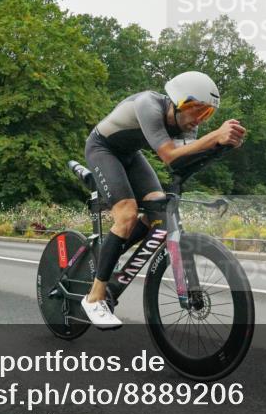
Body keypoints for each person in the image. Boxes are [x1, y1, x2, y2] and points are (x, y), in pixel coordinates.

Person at [80, 71, 245, 329]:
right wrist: (214, 137)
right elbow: (170, 156)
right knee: (126, 214)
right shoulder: (149, 104)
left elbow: (183, 165)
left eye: (207, 115)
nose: (199, 120)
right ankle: (95, 298)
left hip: (130, 155)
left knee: (158, 209)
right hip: (102, 149)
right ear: (180, 102)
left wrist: (220, 148)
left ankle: (112, 251)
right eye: (198, 111)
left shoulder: (187, 125)